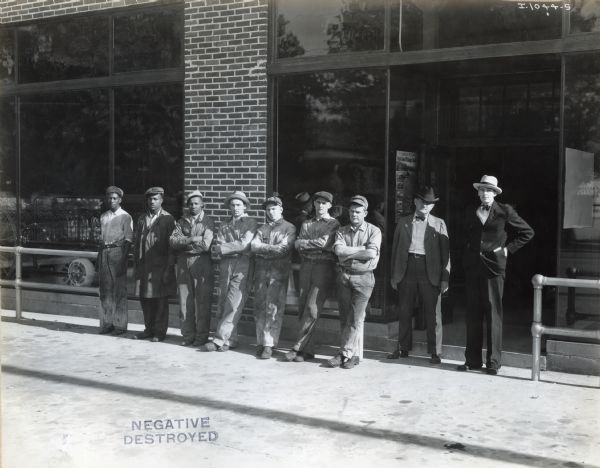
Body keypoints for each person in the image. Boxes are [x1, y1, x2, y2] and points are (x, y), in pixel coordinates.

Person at [458, 175, 534, 375]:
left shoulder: (504, 211)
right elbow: (465, 234)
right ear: (478, 192)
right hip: (473, 268)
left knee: (493, 313)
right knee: (473, 313)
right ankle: (472, 360)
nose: (485, 193)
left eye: (489, 190)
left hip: (493, 268)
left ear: (495, 193)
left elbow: (527, 232)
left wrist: (507, 250)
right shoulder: (469, 211)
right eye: (482, 190)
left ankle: (493, 362)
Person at [388, 186, 450, 364]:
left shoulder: (439, 223)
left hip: (430, 269)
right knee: (405, 310)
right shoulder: (404, 221)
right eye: (423, 201)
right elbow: (395, 249)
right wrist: (394, 274)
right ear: (415, 201)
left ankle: (435, 352)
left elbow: (446, 254)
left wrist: (445, 278)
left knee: (433, 313)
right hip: (406, 268)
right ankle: (403, 348)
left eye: (429, 203)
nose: (426, 205)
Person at [285, 191, 340, 363]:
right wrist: (307, 245)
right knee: (302, 306)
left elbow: (324, 244)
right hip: (306, 265)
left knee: (312, 307)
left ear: (330, 205)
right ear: (314, 204)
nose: (321, 206)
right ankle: (306, 351)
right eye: (318, 202)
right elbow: (297, 244)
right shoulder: (307, 223)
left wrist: (306, 244)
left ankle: (298, 347)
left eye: (324, 203)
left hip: (323, 267)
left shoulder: (333, 223)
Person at [327, 195, 381, 370]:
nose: (354, 215)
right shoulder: (342, 230)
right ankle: (350, 354)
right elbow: (338, 251)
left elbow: (371, 254)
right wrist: (360, 249)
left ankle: (347, 353)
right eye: (351, 211)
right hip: (344, 276)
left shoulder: (374, 231)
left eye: (358, 212)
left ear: (365, 213)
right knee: (345, 316)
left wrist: (347, 253)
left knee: (355, 317)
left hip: (364, 277)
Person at [204, 191, 257, 352]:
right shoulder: (224, 224)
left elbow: (244, 244)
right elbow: (218, 243)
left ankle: (219, 339)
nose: (235, 208)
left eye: (239, 205)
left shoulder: (250, 222)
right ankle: (231, 340)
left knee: (234, 303)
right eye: (232, 205)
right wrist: (229, 248)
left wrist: (225, 248)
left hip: (242, 266)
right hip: (226, 265)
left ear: (245, 206)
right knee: (224, 302)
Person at [251, 195, 296, 359]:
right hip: (261, 270)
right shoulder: (262, 228)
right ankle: (260, 342)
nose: (270, 212)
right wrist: (271, 248)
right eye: (268, 209)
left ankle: (269, 344)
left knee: (273, 308)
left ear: (281, 209)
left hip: (278, 271)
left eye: (274, 208)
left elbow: (283, 249)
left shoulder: (289, 228)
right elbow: (253, 246)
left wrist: (264, 248)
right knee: (259, 306)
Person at [169, 190, 215, 347]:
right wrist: (192, 239)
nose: (193, 206)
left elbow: (206, 245)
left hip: (201, 263)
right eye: (190, 204)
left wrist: (185, 246)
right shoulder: (182, 221)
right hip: (183, 264)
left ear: (202, 204)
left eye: (196, 203)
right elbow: (173, 241)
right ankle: (188, 335)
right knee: (184, 301)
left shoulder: (208, 222)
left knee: (202, 301)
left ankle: (201, 336)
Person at [133, 187, 176, 342]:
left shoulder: (168, 219)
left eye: (156, 199)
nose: (152, 202)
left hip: (160, 266)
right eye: (150, 199)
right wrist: (136, 265)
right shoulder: (142, 219)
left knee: (160, 300)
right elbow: (136, 243)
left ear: (161, 200)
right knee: (145, 299)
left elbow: (172, 246)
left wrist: (169, 268)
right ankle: (148, 329)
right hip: (144, 266)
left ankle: (159, 332)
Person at [97, 186, 133, 336]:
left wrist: (122, 260)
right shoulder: (104, 216)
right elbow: (101, 238)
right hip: (104, 252)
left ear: (120, 200)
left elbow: (128, 240)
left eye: (115, 198)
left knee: (119, 290)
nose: (111, 201)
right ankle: (107, 323)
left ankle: (120, 325)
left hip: (118, 252)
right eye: (109, 198)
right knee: (106, 291)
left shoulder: (126, 216)